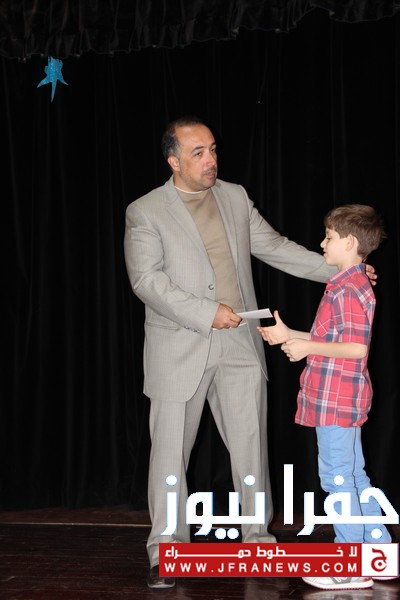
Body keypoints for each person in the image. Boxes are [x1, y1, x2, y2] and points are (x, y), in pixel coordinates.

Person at [123, 117, 374, 589]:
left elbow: (275, 247)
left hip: (240, 341)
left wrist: (343, 270)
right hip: (178, 346)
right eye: (198, 153)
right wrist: (206, 312)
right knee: (170, 455)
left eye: (213, 149)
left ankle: (257, 540)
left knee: (251, 450)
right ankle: (167, 549)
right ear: (173, 161)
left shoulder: (235, 197)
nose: (211, 160)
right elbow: (147, 281)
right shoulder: (146, 210)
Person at [258, 204, 391, 591]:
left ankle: (350, 564)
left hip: (336, 398)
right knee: (354, 476)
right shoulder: (348, 284)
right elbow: (334, 340)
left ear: (349, 243)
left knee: (338, 480)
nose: (322, 243)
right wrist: (291, 336)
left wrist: (305, 347)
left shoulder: (347, 289)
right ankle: (379, 554)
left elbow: (356, 349)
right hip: (342, 397)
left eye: (329, 237)